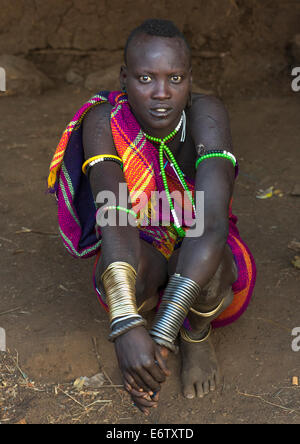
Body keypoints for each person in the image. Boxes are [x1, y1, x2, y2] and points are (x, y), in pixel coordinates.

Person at [48, 19, 256, 415]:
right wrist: (126, 325)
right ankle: (140, 324)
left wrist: (164, 336)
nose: (162, 94)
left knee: (208, 271)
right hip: (136, 239)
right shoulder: (104, 121)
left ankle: (194, 334)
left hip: (197, 241)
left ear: (190, 78)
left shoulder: (205, 114)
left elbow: (210, 225)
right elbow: (115, 217)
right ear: (124, 77)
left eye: (175, 78)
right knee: (120, 272)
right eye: (145, 78)